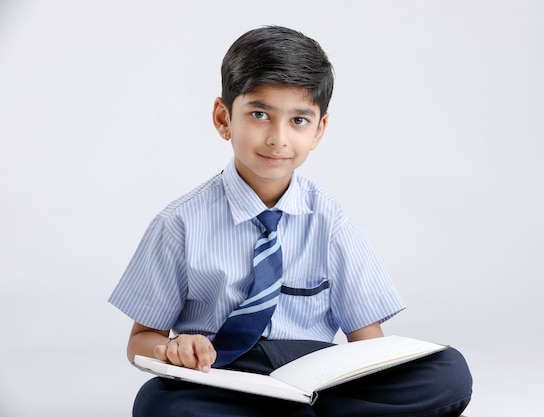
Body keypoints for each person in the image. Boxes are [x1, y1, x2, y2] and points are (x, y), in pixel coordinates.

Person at [109, 25, 472, 417]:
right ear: (223, 118)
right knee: (158, 404)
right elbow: (141, 340)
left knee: (448, 372)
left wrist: (369, 379)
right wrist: (171, 350)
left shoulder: (331, 222)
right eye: (260, 114)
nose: (278, 138)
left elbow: (369, 346)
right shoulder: (178, 224)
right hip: (223, 376)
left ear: (319, 130)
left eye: (298, 120)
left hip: (316, 378)